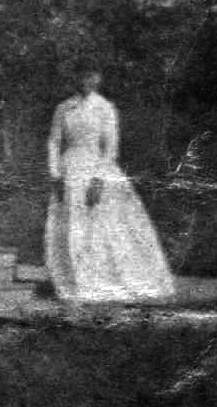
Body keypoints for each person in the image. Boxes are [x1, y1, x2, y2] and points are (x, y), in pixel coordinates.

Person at [44, 57, 175, 303]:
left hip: (97, 167)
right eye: (82, 76)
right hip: (70, 168)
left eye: (92, 76)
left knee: (106, 225)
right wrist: (55, 175)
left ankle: (104, 278)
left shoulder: (105, 108)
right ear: (75, 78)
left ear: (98, 79)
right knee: (73, 225)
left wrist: (99, 179)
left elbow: (111, 147)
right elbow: (54, 141)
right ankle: (76, 279)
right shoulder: (64, 108)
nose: (87, 81)